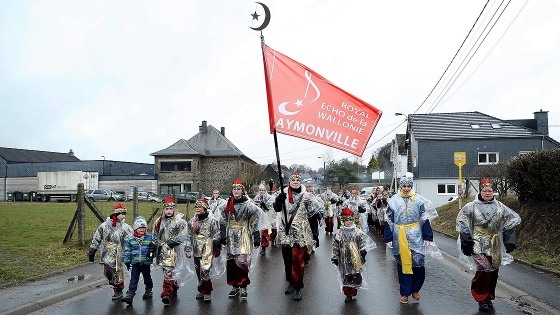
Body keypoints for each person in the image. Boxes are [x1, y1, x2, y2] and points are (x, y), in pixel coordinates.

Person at [456, 178, 521, 312]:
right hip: (478, 242)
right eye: (485, 190)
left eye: (490, 191)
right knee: (483, 268)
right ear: (480, 191)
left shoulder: (500, 206)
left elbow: (511, 221)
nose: (487, 193)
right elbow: (463, 224)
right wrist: (466, 243)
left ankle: (489, 296)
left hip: (494, 242)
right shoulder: (470, 207)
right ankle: (481, 297)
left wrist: (509, 241)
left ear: (493, 192)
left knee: (494, 270)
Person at [384, 173, 437, 304]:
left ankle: (415, 289)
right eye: (404, 186)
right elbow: (388, 220)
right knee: (403, 265)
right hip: (399, 235)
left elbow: (424, 218)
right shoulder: (393, 201)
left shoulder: (418, 200)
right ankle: (405, 292)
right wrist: (388, 238)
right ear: (401, 186)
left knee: (419, 265)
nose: (406, 188)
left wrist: (427, 236)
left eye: (409, 186)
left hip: (416, 235)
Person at [273, 171, 320, 301]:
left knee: (298, 260)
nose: (295, 182)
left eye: (297, 180)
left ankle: (298, 286)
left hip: (300, 233)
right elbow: (276, 209)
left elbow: (313, 214)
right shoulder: (282, 194)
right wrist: (278, 200)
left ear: (300, 182)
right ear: (289, 182)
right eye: (293, 180)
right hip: (285, 232)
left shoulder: (307, 196)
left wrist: (315, 233)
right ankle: (290, 282)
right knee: (287, 259)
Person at [215, 179, 261, 300]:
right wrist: (223, 238)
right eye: (234, 189)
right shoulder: (226, 205)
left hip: (244, 234)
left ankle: (243, 286)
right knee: (231, 262)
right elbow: (221, 221)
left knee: (242, 261)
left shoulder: (249, 205)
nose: (236, 191)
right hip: (231, 235)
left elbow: (254, 221)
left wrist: (256, 236)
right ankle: (234, 286)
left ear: (242, 191)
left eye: (238, 189)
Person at [88, 203, 133, 300]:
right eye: (121, 214)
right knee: (108, 270)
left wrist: (130, 254)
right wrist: (93, 249)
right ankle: (114, 284)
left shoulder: (125, 227)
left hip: (119, 253)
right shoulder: (104, 226)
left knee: (117, 271)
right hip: (107, 251)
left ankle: (118, 290)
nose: (123, 216)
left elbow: (130, 241)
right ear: (116, 214)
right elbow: (97, 237)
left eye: (124, 214)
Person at [331, 207, 376, 302]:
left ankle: (354, 289)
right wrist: (335, 257)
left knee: (355, 274)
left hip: (355, 257)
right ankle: (348, 294)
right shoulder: (339, 233)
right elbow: (335, 246)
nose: (349, 222)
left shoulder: (357, 232)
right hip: (343, 257)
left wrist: (363, 254)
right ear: (343, 221)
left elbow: (362, 244)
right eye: (346, 220)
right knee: (346, 275)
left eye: (350, 220)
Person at [185, 198, 223, 303]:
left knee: (205, 270)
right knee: (198, 271)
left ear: (205, 208)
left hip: (207, 248)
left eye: (199, 206)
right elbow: (188, 235)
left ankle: (207, 292)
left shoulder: (211, 220)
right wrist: (188, 248)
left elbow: (216, 234)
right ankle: (202, 289)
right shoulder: (192, 221)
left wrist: (216, 248)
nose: (197, 209)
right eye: (196, 207)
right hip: (196, 248)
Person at [152, 196, 189, 305]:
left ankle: (166, 293)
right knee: (167, 271)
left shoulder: (179, 222)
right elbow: (155, 235)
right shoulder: (158, 221)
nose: (168, 211)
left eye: (170, 209)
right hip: (163, 250)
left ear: (174, 209)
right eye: (166, 209)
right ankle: (173, 286)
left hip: (174, 250)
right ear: (164, 210)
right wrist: (153, 246)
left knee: (169, 271)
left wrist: (176, 242)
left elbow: (184, 235)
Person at [121, 216, 155, 305]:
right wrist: (127, 261)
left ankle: (149, 289)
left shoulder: (149, 237)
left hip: (145, 262)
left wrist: (152, 250)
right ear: (135, 228)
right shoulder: (131, 239)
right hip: (135, 263)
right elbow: (128, 250)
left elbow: (154, 247)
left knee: (147, 278)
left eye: (144, 227)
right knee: (133, 280)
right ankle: (130, 295)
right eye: (140, 227)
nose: (142, 229)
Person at [253, 184, 274, 256]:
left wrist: (264, 205)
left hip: (266, 217)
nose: (261, 192)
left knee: (264, 233)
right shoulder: (256, 197)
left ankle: (263, 248)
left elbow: (270, 208)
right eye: (260, 190)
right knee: (258, 232)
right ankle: (259, 245)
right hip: (258, 218)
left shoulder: (269, 197)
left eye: (263, 190)